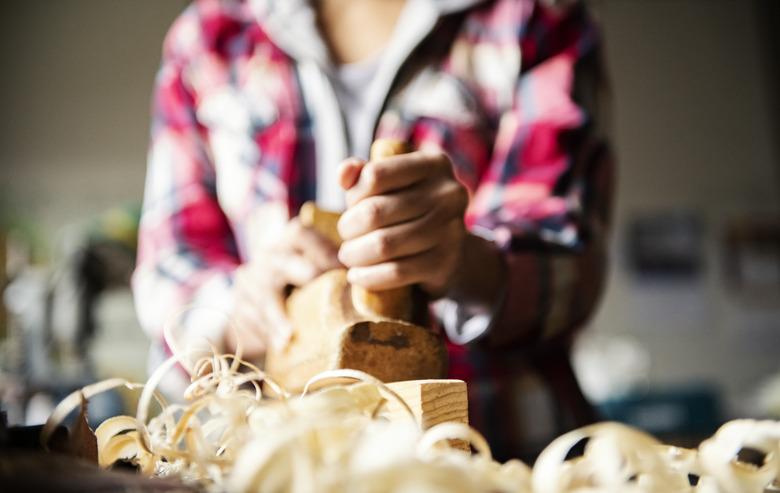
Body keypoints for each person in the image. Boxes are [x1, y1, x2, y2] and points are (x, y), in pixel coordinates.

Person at [133, 0, 613, 460]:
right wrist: (237, 306)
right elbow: (170, 260)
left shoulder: (533, 16)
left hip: (501, 456)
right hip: (282, 462)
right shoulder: (211, 36)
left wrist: (466, 264)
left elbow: (573, 264)